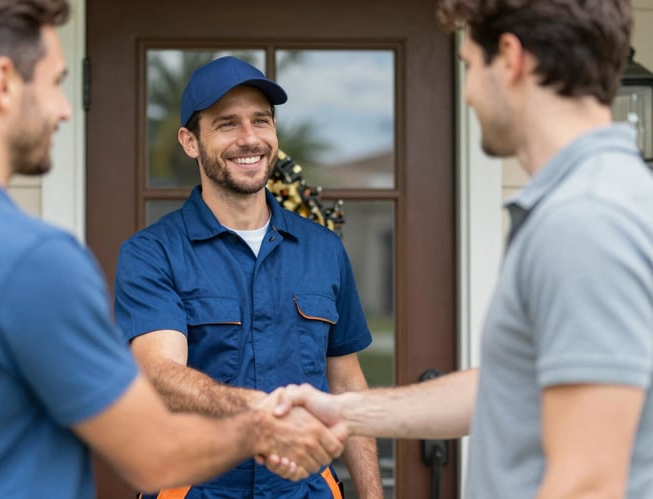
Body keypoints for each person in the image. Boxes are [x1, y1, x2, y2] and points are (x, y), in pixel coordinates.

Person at [0, 2, 347, 498]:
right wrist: (267, 424)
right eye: (54, 82)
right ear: (3, 83)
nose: (64, 109)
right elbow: (153, 455)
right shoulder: (34, 260)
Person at [273, 0, 653, 498]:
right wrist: (344, 410)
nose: (468, 94)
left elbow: (587, 483)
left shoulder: (583, 220)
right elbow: (509, 387)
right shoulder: (596, 199)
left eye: (471, 66)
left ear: (512, 60)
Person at [113, 56, 382, 499]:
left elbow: (347, 383)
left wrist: (373, 496)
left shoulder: (323, 249)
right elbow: (159, 372)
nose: (250, 138)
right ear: (190, 141)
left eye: (262, 120)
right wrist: (268, 412)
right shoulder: (153, 253)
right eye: (227, 124)